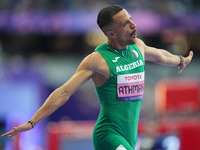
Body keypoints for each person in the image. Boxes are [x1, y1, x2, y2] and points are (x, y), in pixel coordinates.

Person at [1, 4, 193, 150]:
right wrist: (32, 122)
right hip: (108, 134)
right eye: (125, 24)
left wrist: (180, 60)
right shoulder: (97, 60)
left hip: (130, 135)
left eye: (131, 19)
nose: (133, 25)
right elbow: (64, 92)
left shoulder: (138, 47)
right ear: (111, 33)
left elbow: (160, 55)